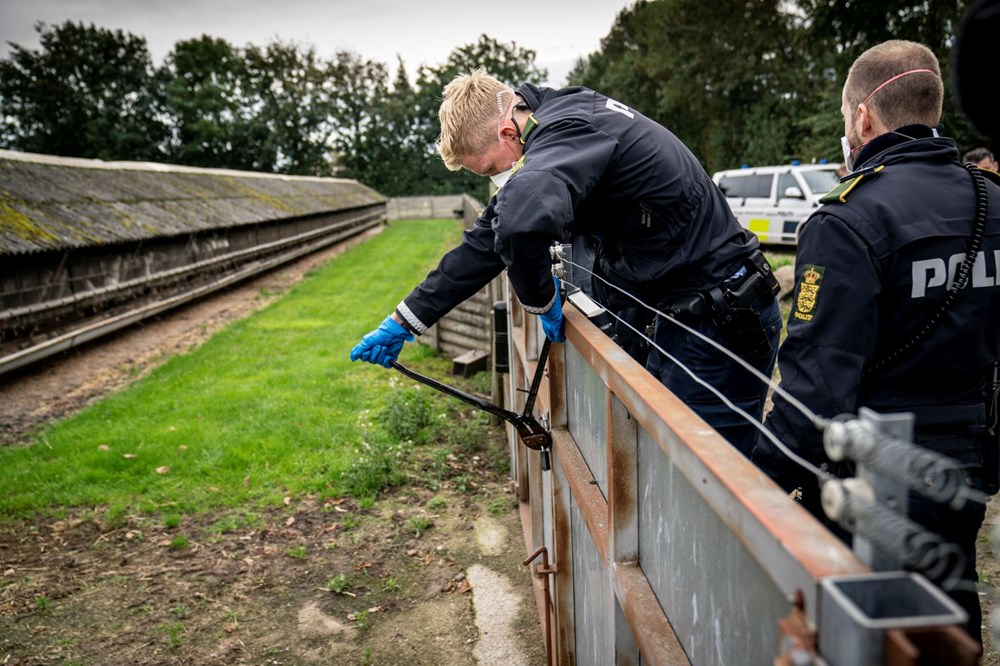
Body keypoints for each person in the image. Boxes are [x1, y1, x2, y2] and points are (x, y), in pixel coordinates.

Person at [351, 69, 782, 457]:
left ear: (507, 133)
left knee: (704, 480)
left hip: (719, 318)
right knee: (667, 463)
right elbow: (489, 239)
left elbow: (519, 227)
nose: (495, 183)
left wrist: (541, 299)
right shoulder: (552, 129)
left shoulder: (569, 130)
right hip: (679, 311)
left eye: (488, 171)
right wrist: (405, 320)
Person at [750, 40, 1000, 644]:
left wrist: (753, 479)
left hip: (872, 477)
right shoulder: (994, 202)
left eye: (846, 119)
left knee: (864, 631)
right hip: (966, 463)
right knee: (950, 611)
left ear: (862, 117)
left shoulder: (846, 219)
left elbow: (815, 391)